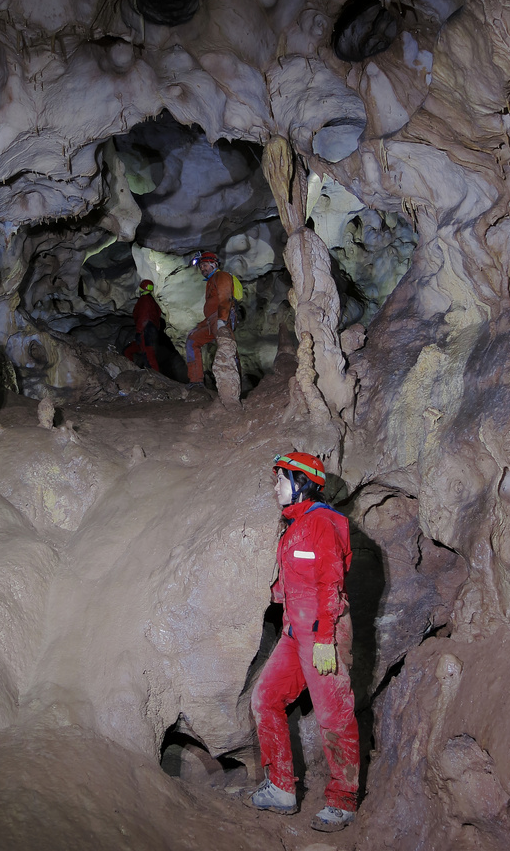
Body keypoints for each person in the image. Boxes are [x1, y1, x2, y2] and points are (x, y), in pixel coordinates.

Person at [249, 451, 359, 833]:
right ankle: (281, 787)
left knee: (333, 715)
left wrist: (326, 639)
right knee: (264, 697)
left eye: (282, 480)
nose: (276, 487)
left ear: (303, 484)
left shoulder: (322, 523)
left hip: (322, 633)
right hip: (295, 634)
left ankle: (343, 801)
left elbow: (331, 582)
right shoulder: (293, 526)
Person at [185, 251, 235, 386]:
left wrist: (222, 320)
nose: (203, 268)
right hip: (211, 320)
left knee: (227, 349)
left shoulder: (221, 276)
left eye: (205, 265)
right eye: (201, 266)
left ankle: (232, 385)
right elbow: (211, 311)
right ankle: (196, 381)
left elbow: (225, 297)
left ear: (214, 264)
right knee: (192, 340)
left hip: (221, 318)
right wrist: (199, 326)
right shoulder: (210, 281)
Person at [124, 279, 164, 372]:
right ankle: (132, 371)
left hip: (146, 331)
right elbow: (157, 315)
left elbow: (143, 317)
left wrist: (139, 331)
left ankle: (155, 379)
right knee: (129, 351)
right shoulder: (153, 302)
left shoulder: (144, 300)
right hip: (152, 331)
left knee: (149, 356)